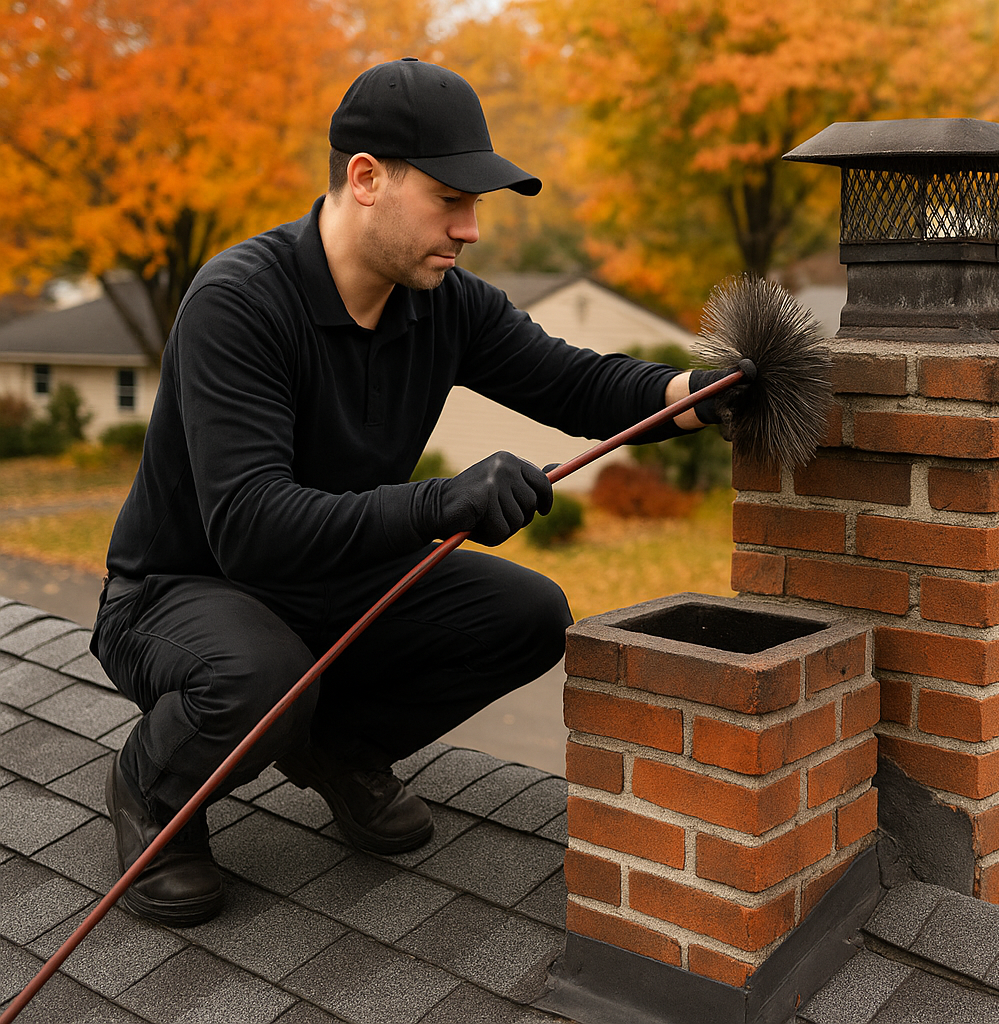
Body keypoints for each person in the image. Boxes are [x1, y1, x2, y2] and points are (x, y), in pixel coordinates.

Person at [91, 58, 735, 926]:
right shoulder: (238, 303)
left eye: (477, 206)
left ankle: (339, 750)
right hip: (180, 590)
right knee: (262, 675)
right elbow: (248, 527)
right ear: (366, 178)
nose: (471, 229)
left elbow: (575, 384)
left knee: (529, 614)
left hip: (325, 579)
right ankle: (152, 789)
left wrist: (698, 396)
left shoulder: (444, 305)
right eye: (450, 200)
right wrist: (441, 503)